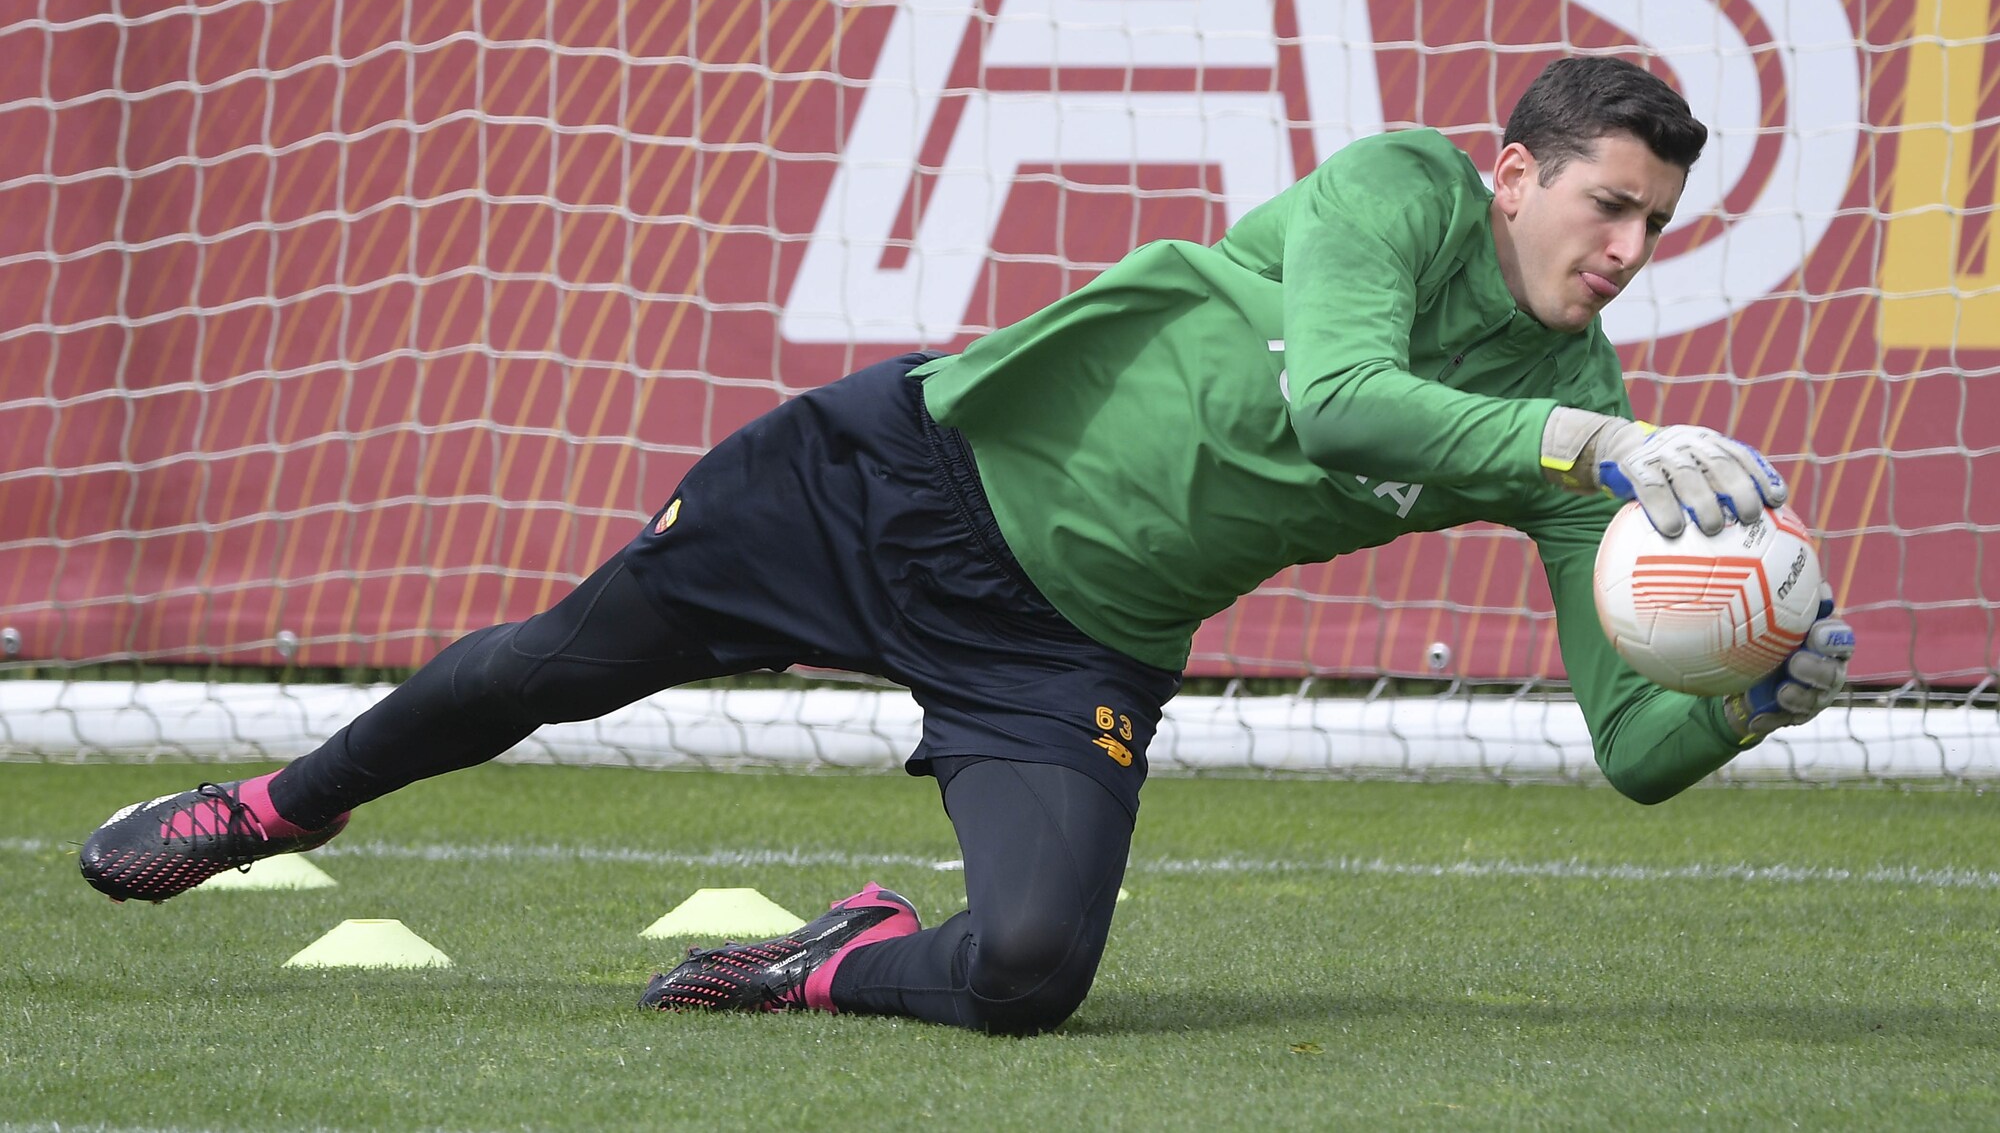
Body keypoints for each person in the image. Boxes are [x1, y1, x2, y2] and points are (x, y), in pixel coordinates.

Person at [78, 56, 1854, 1034]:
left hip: (1067, 648)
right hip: (901, 478)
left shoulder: (1585, 418)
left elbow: (1630, 746)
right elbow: (1343, 406)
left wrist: (1749, 695)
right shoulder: (1401, 191)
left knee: (1029, 972)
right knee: (559, 662)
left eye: (1655, 226)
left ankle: (826, 958)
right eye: (1607, 204)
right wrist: (1601, 444)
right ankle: (272, 807)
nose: (1625, 249)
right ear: (1512, 175)